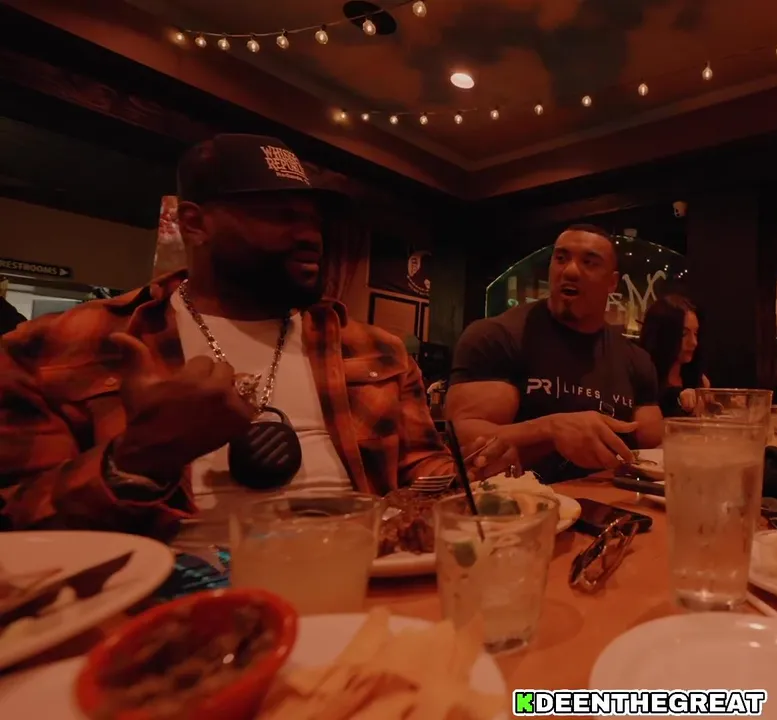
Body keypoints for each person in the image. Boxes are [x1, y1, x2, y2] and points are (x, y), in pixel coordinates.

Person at [0, 134, 502, 538]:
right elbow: (19, 525)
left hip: (363, 579)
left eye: (313, 221)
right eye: (280, 216)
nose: (310, 236)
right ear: (194, 223)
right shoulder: (55, 347)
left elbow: (420, 469)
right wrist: (139, 457)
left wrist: (482, 472)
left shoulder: (377, 350)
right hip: (163, 603)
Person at [447, 224, 663, 482]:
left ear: (612, 283)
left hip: (611, 501)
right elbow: (463, 438)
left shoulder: (636, 359)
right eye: (561, 258)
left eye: (589, 262)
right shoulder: (497, 336)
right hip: (519, 502)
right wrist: (549, 430)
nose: (570, 270)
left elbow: (654, 445)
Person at [638, 294, 709, 417]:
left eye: (696, 333)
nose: (694, 342)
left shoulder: (699, 380)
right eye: (684, 334)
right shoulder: (641, 376)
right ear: (663, 334)